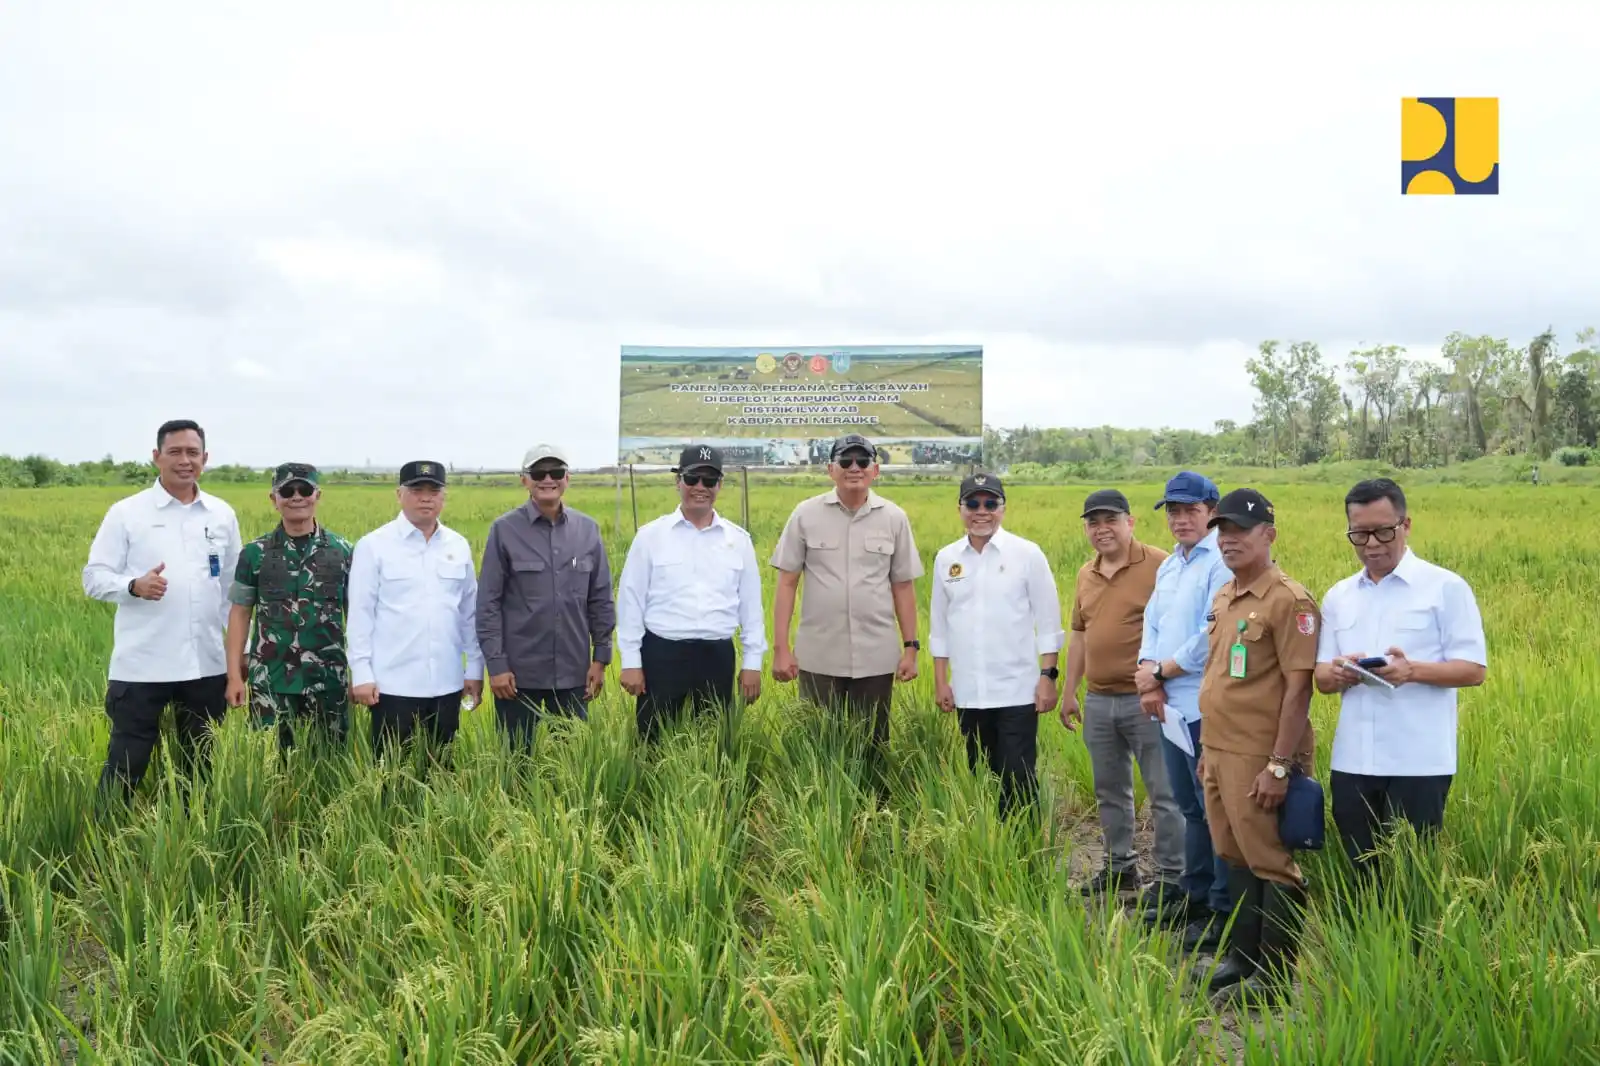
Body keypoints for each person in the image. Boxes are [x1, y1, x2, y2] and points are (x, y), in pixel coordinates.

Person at [1314, 478, 1487, 886]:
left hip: (1418, 759)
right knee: (1361, 874)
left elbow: (1473, 669)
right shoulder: (1339, 596)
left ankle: (1414, 949)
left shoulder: (1444, 587)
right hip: (1353, 759)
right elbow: (1320, 677)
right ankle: (1365, 946)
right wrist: (1341, 672)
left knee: (1411, 875)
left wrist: (1413, 671)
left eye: (1383, 531)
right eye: (1359, 533)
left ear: (1406, 525)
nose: (1372, 543)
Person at [1195, 487, 1318, 1005]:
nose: (1229, 540)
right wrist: (1207, 747)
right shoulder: (1225, 595)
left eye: (1240, 531)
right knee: (1234, 854)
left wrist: (1279, 765)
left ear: (1268, 533)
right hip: (1219, 749)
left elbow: (1299, 689)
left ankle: (1272, 979)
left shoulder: (1290, 600)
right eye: (1222, 531)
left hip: (1259, 755)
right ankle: (1243, 959)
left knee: (1270, 860)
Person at [82, 419, 242, 799]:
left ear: (205, 458)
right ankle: (108, 839)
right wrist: (133, 586)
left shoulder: (221, 515)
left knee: (199, 767)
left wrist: (239, 658)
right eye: (175, 452)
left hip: (205, 664)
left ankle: (190, 837)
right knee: (126, 762)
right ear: (156, 457)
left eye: (192, 452)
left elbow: (231, 593)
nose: (184, 460)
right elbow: (93, 577)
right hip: (142, 664)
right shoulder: (127, 513)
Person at [1063, 488, 1184, 910]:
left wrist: (1162, 683)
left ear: (1130, 523)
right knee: (1109, 790)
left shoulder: (1161, 565)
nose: (1102, 529)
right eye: (1093, 522)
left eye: (1111, 520)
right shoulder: (1085, 573)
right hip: (1098, 700)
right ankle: (1120, 867)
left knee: (1164, 792)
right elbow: (1079, 633)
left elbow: (1179, 628)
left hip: (1146, 699)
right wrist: (1068, 692)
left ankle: (1172, 876)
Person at [770, 433, 922, 753]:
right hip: (819, 656)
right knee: (818, 745)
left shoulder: (894, 518)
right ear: (831, 469)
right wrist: (781, 648)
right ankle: (820, 804)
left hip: (875, 656)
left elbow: (903, 585)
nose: (854, 467)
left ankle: (872, 803)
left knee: (872, 747)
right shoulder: (805, 514)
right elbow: (787, 582)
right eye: (846, 461)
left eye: (862, 461)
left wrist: (911, 647)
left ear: (875, 470)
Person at [1133, 471, 1235, 948]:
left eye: (1191, 510)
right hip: (1168, 702)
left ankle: (1219, 907)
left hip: (1202, 702)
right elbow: (1152, 623)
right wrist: (1147, 672)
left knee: (1213, 808)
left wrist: (1162, 672)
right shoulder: (1171, 565)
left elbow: (1211, 636)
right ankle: (1193, 897)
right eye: (1173, 511)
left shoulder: (1222, 562)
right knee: (1190, 806)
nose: (1180, 519)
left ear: (1212, 511)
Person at [929, 473, 1063, 817]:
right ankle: (989, 850)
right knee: (980, 777)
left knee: (1017, 776)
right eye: (973, 504)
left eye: (991, 504)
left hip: (1017, 691)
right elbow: (940, 625)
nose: (981, 511)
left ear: (1003, 508)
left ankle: (1026, 853)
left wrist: (1048, 675)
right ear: (960, 509)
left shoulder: (1026, 554)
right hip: (968, 692)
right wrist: (941, 681)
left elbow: (1048, 621)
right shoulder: (946, 559)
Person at [616, 445, 765, 741]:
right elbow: (630, 601)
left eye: (709, 481)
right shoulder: (650, 537)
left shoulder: (738, 540)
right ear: (678, 482)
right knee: (652, 742)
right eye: (692, 478)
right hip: (662, 654)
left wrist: (752, 663)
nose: (700, 487)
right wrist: (631, 661)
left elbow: (751, 607)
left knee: (714, 745)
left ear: (719, 485)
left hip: (716, 656)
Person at [475, 444, 614, 749]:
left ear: (568, 478)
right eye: (539, 472)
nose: (547, 479)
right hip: (517, 678)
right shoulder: (504, 530)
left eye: (556, 472)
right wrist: (496, 666)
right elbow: (488, 604)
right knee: (515, 762)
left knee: (569, 766)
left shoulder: (587, 530)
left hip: (573, 675)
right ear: (524, 479)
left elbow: (600, 598)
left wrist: (600, 658)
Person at [347, 460, 484, 764]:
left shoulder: (458, 546)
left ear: (443, 496)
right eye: (416, 490)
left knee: (442, 771)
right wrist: (361, 673)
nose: (425, 497)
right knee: (392, 777)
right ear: (399, 494)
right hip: (393, 686)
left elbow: (469, 614)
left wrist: (475, 668)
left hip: (447, 684)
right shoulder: (374, 546)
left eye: (433, 491)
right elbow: (360, 615)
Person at [225, 463, 355, 757]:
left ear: (317, 495)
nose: (296, 497)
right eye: (287, 491)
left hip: (329, 681)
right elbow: (240, 613)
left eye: (304, 490)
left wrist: (360, 674)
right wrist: (234, 675)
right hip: (271, 683)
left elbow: (357, 616)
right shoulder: (254, 553)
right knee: (270, 765)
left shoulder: (343, 551)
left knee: (329, 764)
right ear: (274, 499)